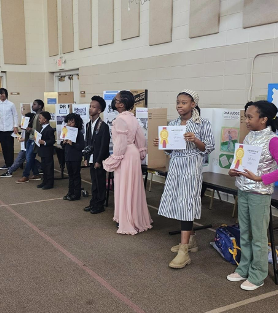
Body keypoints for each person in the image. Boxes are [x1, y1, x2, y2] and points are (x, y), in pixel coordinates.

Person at [227, 101, 278, 291]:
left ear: (263, 119)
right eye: (246, 116)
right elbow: (242, 162)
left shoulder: (272, 140)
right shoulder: (248, 137)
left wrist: (261, 178)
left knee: (258, 236)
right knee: (245, 233)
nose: (246, 120)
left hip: (259, 194)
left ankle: (258, 275)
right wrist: (234, 171)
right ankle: (244, 268)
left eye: (250, 117)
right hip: (244, 190)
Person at [153, 89, 215, 269]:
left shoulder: (203, 123)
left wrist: (195, 140)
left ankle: (184, 251)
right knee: (179, 202)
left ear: (193, 104)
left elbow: (209, 148)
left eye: (184, 102)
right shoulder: (173, 123)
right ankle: (191, 241)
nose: (180, 105)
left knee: (187, 203)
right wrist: (163, 144)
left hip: (191, 167)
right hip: (175, 166)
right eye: (178, 102)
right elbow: (171, 150)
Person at [103, 91, 153, 235]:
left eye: (116, 99)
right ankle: (135, 217)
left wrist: (114, 159)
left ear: (121, 104)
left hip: (125, 154)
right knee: (133, 187)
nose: (114, 101)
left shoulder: (120, 120)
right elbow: (141, 139)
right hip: (133, 153)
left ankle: (125, 219)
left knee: (124, 186)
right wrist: (141, 152)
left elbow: (120, 144)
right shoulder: (133, 118)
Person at [84, 96, 110, 214]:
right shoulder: (88, 125)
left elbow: (104, 146)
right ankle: (93, 202)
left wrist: (99, 160)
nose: (90, 109)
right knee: (93, 181)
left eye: (94, 107)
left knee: (100, 182)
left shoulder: (103, 126)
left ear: (99, 111)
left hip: (99, 159)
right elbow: (87, 142)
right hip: (90, 157)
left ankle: (100, 204)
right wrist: (85, 157)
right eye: (90, 106)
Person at [17, 100, 44, 184]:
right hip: (31, 138)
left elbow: (39, 130)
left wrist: (29, 129)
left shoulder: (41, 116)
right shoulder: (35, 115)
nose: (33, 106)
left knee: (29, 158)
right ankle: (36, 174)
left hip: (34, 139)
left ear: (40, 106)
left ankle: (25, 175)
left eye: (35, 104)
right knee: (30, 158)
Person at [1, 113, 36, 178]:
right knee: (31, 160)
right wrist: (18, 136)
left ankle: (10, 172)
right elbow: (23, 135)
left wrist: (22, 139)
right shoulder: (24, 126)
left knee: (19, 160)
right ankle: (39, 169)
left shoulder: (31, 128)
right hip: (24, 147)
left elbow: (30, 137)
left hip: (26, 147)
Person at [0, 88, 19, 171]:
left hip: (10, 129)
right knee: (4, 147)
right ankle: (7, 163)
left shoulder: (11, 104)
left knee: (10, 147)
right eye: (0, 94)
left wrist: (15, 126)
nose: (2, 95)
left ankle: (11, 164)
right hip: (1, 129)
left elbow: (15, 115)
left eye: (3, 93)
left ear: (6, 94)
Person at [62, 113, 84, 201]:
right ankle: (70, 192)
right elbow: (63, 145)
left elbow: (81, 146)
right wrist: (63, 143)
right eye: (68, 122)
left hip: (75, 157)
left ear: (76, 123)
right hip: (68, 156)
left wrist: (73, 144)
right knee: (70, 176)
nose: (69, 124)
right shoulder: (66, 132)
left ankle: (77, 194)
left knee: (76, 175)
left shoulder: (79, 133)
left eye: (72, 122)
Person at [37, 112, 55, 190]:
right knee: (44, 167)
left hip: (47, 151)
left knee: (49, 168)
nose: (39, 119)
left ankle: (49, 183)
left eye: (40, 118)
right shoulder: (42, 128)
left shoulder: (49, 129)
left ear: (45, 120)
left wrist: (44, 142)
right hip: (43, 151)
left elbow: (52, 140)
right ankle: (44, 181)